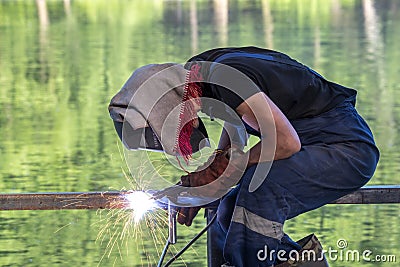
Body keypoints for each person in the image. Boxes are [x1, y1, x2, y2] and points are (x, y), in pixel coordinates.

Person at [108, 46, 379, 267]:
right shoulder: (205, 72)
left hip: (345, 149)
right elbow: (238, 119)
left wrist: (227, 169)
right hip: (318, 145)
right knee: (226, 210)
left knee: (260, 192)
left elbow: (286, 142)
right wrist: (216, 169)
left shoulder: (225, 77)